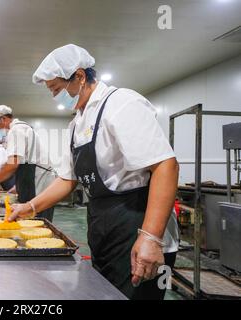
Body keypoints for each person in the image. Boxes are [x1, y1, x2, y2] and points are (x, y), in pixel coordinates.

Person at [10, 44, 179, 300]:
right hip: (102, 223)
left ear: (79, 76)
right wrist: (30, 207)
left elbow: (165, 166)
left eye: (56, 89)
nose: (55, 97)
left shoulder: (121, 103)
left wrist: (151, 238)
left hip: (137, 222)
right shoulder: (76, 123)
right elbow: (67, 179)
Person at [0, 105, 56, 221]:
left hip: (39, 185)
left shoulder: (17, 130)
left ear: (3, 119)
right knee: (29, 220)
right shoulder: (21, 129)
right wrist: (18, 185)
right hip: (32, 180)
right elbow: (22, 161)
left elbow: (12, 164)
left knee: (38, 223)